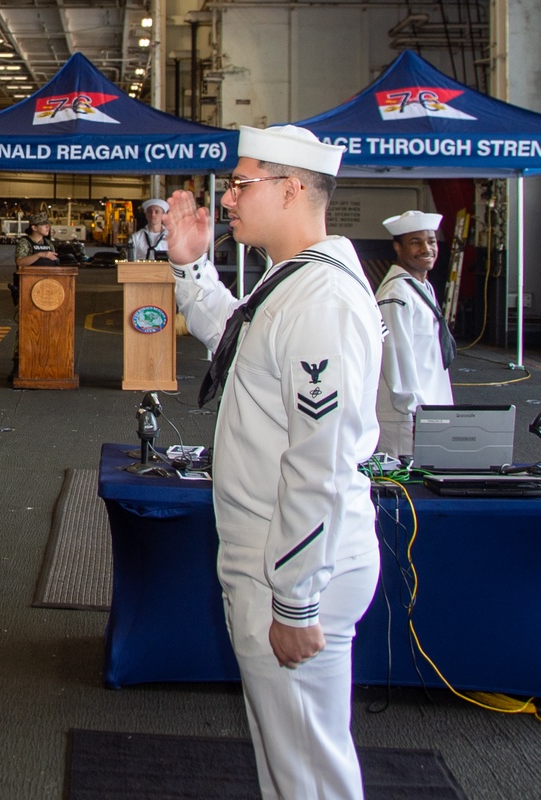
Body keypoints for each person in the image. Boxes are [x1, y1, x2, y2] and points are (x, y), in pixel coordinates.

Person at [165, 125, 383, 800]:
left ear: (293, 189)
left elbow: (319, 463)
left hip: (289, 564)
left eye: (242, 182)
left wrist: (295, 600)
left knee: (308, 772)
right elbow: (237, 339)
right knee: (293, 761)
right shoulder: (296, 284)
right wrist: (190, 267)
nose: (226, 199)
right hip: (280, 558)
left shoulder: (321, 300)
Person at [375, 210, 454, 459]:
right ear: (398, 247)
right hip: (408, 418)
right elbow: (396, 356)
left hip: (429, 412)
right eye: (415, 242)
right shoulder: (396, 294)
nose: (426, 248)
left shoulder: (421, 286)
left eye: (431, 241)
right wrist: (417, 413)